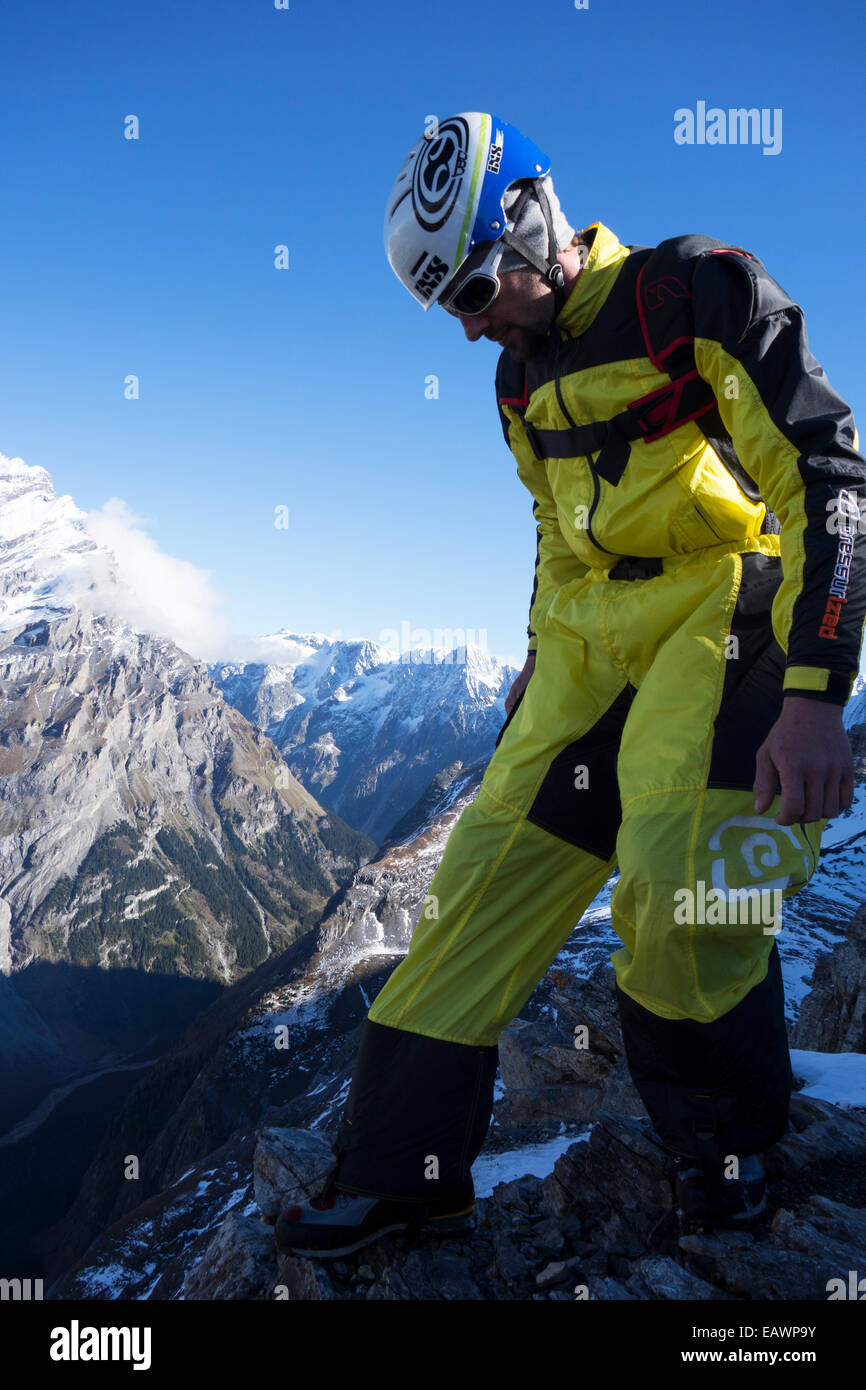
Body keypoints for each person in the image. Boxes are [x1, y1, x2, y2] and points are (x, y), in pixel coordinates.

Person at [275, 112, 866, 1258]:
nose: (468, 326)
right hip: (591, 640)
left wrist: (811, 695)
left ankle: (726, 1162)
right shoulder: (515, 377)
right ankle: (409, 1174)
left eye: (470, 290)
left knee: (672, 893)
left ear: (531, 222)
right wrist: (541, 656)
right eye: (447, 304)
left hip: (724, 611)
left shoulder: (695, 291)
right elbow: (559, 537)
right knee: (476, 880)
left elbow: (829, 479)